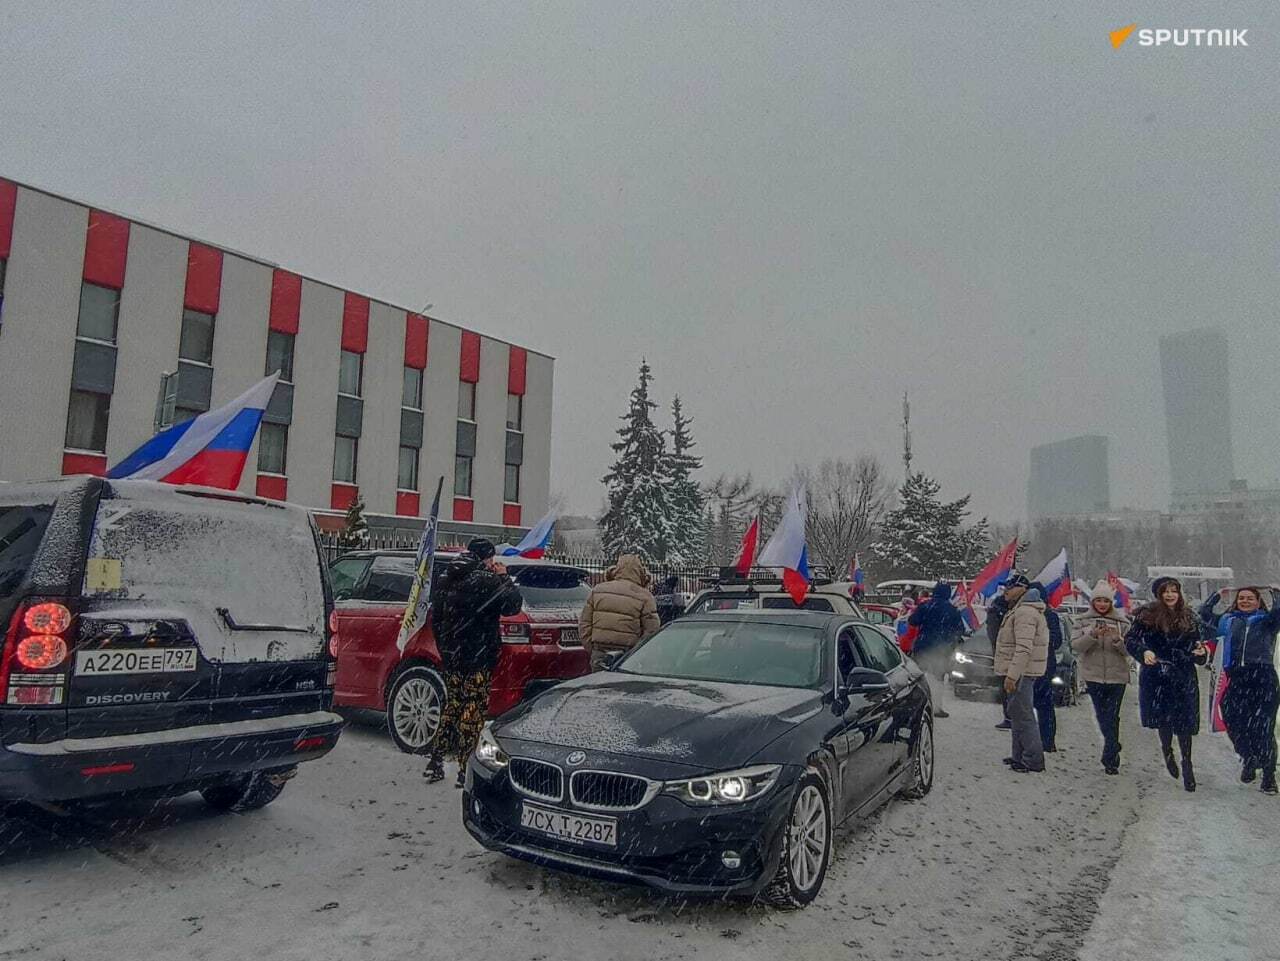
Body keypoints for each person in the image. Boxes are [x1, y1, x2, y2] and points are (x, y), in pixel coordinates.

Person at [425, 538, 524, 786]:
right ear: (486, 558)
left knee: (452, 705)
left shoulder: (446, 577)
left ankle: (436, 759)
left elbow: (435, 618)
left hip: (452, 655)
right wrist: (504, 576)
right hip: (478, 655)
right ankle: (465, 767)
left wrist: (446, 649)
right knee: (473, 710)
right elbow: (512, 605)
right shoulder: (486, 580)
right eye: (491, 558)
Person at [1125, 577, 1209, 792]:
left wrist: (1201, 652)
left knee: (1185, 721)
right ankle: (1166, 749)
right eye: (1166, 591)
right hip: (1157, 675)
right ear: (1158, 594)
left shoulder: (1190, 617)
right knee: (1163, 719)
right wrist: (1144, 652)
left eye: (1174, 591)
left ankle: (1187, 763)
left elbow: (1200, 645)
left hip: (1183, 675)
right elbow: (1131, 640)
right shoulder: (1147, 616)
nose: (1170, 595)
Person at [1198, 586, 1280, 795]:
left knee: (1264, 729)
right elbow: (1203, 616)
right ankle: (1248, 757)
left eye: (1250, 598)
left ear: (1258, 601)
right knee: (1232, 719)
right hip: (1237, 678)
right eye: (1241, 598)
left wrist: (1277, 594)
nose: (1244, 601)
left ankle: (1269, 777)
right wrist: (1217, 595)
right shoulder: (1227, 621)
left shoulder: (1266, 621)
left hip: (1263, 677)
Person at [1072, 580, 1132, 774]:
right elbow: (1076, 646)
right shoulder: (1082, 621)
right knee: (1101, 715)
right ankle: (1113, 744)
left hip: (1117, 676)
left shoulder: (1123, 623)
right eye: (1098, 601)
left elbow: (1129, 651)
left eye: (1105, 601)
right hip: (1093, 675)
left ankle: (1111, 758)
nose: (1102, 605)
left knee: (1112, 715)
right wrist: (1092, 635)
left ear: (1111, 602)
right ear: (1092, 602)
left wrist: (1117, 640)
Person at [994, 573, 1049, 773]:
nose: (1006, 592)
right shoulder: (1020, 610)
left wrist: (1012, 675)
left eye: (1010, 587)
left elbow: (1023, 648)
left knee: (1024, 715)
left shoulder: (1025, 612)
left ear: (1022, 589)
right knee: (1017, 714)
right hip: (1020, 671)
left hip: (1021, 672)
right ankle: (1019, 755)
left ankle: (1033, 759)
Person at [579, 553, 660, 671]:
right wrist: (637, 652)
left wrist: (592, 648)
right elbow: (652, 630)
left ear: (617, 569)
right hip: (628, 655)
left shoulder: (598, 590)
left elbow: (584, 624)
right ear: (640, 572)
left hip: (600, 651)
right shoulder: (645, 596)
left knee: (598, 687)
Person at [908, 582, 965, 718]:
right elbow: (960, 630)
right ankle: (937, 708)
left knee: (918, 675)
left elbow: (912, 621)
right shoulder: (952, 610)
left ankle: (914, 705)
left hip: (923, 646)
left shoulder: (925, 606)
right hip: (942, 649)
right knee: (938, 678)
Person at [1029, 580, 1063, 752]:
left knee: (1043, 705)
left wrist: (1042, 640)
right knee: (1040, 705)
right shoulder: (1023, 614)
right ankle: (1042, 740)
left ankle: (1047, 741)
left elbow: (1057, 641)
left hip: (1043, 665)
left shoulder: (1050, 616)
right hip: (1036, 664)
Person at [987, 585, 1013, 730]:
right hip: (1004, 652)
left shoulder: (1000, 610)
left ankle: (1010, 717)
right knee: (1007, 686)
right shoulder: (999, 610)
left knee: (1007, 686)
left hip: (1004, 653)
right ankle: (1010, 717)